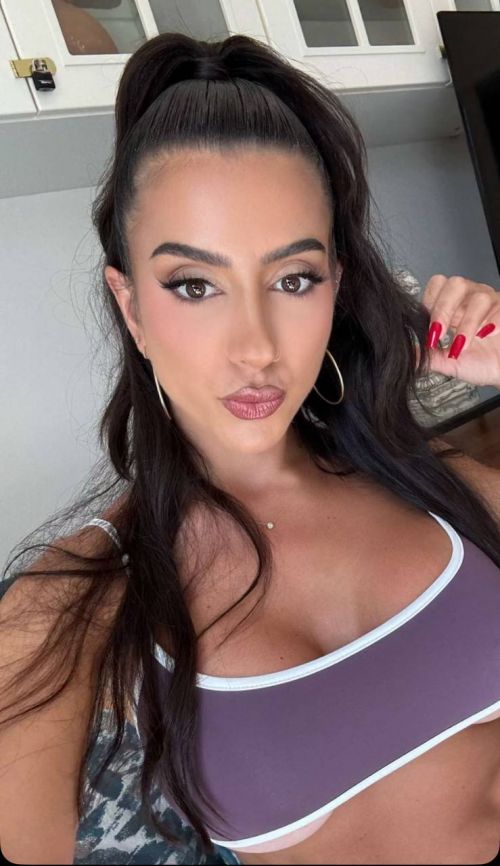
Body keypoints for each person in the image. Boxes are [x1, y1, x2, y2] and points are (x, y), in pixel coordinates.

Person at [2, 31, 500, 866]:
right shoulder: (75, 600)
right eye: (194, 285)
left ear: (337, 285)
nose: (256, 348)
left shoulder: (440, 486)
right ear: (130, 307)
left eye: (293, 278)